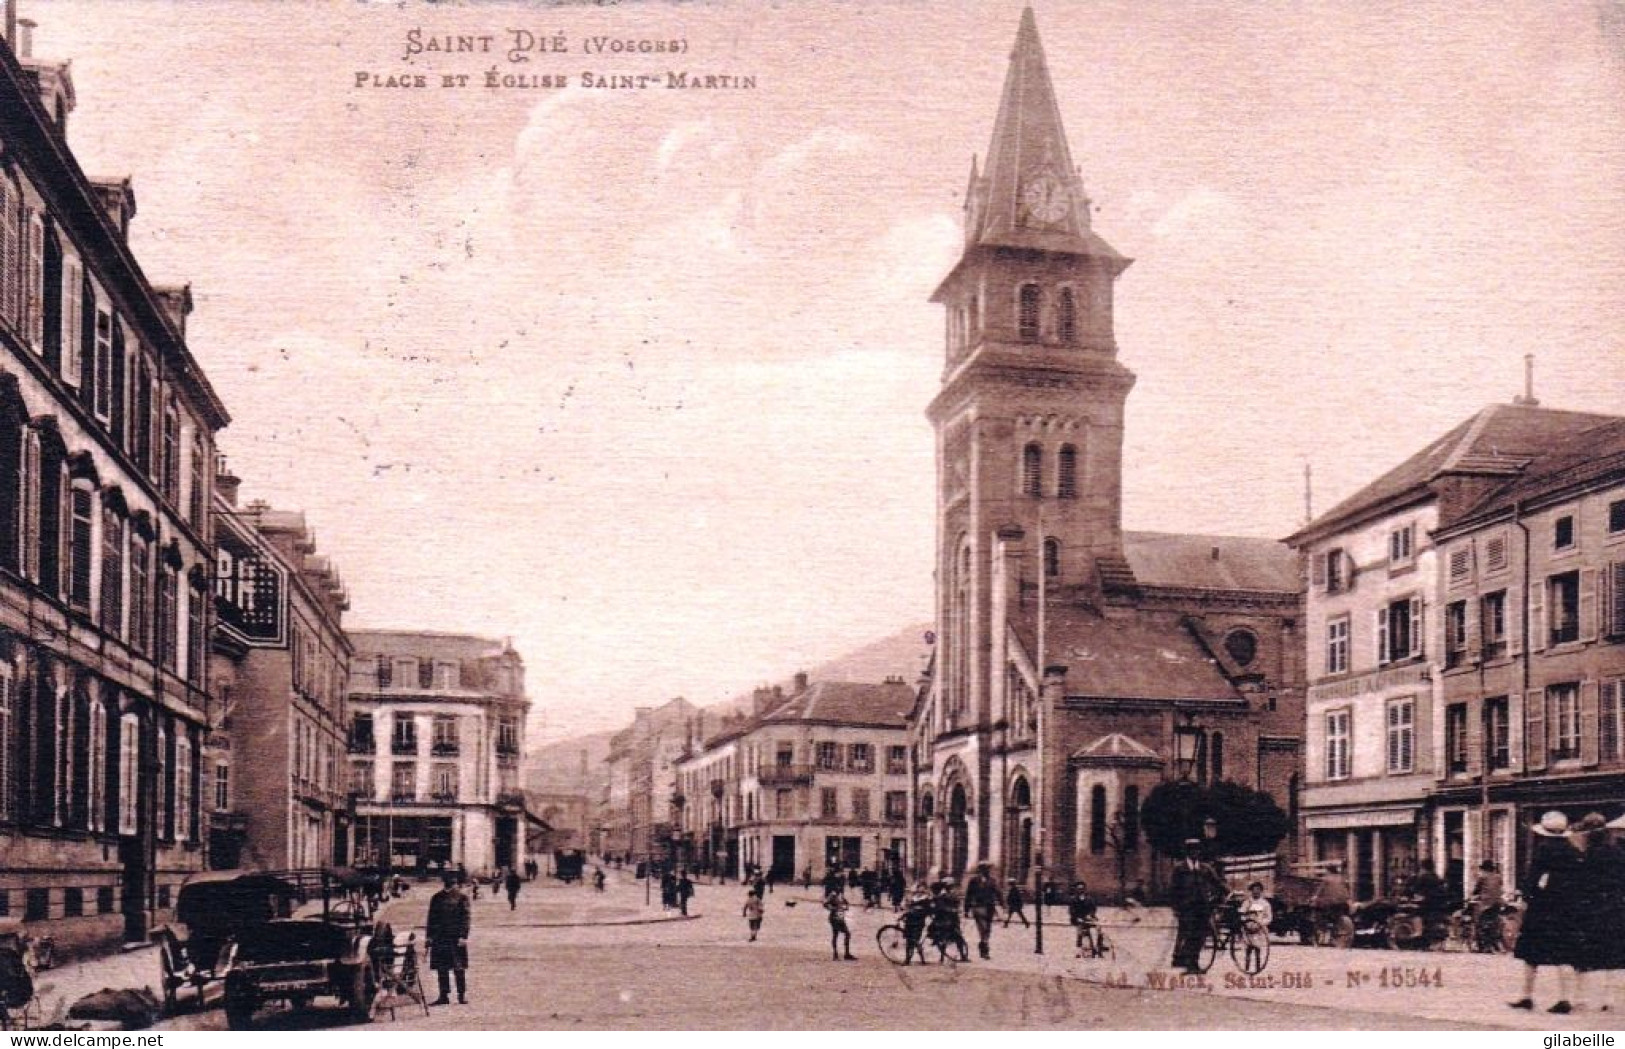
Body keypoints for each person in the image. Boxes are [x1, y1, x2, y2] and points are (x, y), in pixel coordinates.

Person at [1512, 811, 1586, 1014]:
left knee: (1530, 953)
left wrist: (1526, 897)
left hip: (1543, 907)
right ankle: (1566, 998)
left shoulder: (1544, 849)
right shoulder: (1573, 850)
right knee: (1563, 953)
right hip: (1567, 908)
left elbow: (1534, 877)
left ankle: (1526, 995)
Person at [1572, 813, 1625, 1012]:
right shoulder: (1618, 852)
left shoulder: (1584, 854)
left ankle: (1580, 998)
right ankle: (1608, 999)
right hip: (1613, 907)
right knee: (1611, 954)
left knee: (1582, 954)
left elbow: (1577, 883)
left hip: (1588, 907)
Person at [1169, 839, 1225, 973]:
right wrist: (1176, 908)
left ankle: (1194, 963)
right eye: (1192, 850)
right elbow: (1173, 890)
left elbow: (1217, 882)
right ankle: (1189, 964)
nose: (1195, 853)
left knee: (1200, 935)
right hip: (1186, 908)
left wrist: (1230, 892)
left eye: (1197, 850)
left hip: (1203, 907)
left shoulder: (1205, 868)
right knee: (1189, 935)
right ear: (1187, 852)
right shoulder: (1179, 868)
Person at [426, 873, 472, 1006]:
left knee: (459, 968)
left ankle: (461, 995)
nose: (451, 883)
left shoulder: (462, 897)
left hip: (455, 938)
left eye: (452, 881)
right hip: (439, 937)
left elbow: (466, 918)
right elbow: (431, 919)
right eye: (448, 880)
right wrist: (429, 937)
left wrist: (463, 936)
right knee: (442, 968)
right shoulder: (436, 897)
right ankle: (443, 995)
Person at [964, 862, 1001, 959]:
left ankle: (982, 945)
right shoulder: (974, 881)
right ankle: (985, 950)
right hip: (978, 906)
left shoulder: (992, 881)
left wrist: (1003, 905)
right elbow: (969, 895)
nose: (988, 871)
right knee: (983, 928)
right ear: (980, 870)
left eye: (988, 869)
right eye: (986, 869)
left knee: (988, 929)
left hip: (990, 907)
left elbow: (998, 893)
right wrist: (966, 909)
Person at [1309, 861, 1351, 941]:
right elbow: (1346, 890)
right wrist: (1348, 900)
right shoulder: (1341, 878)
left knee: (1318, 911)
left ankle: (1322, 928)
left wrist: (1315, 897)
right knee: (1337, 915)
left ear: (1328, 871)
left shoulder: (1326, 879)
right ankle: (1335, 928)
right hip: (1342, 903)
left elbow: (1320, 890)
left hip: (1330, 903)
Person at [930, 881, 970, 962]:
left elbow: (956, 906)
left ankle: (961, 955)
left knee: (958, 937)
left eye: (953, 888)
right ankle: (961, 955)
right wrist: (952, 910)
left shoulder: (949, 897)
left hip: (949, 919)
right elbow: (940, 908)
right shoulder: (942, 897)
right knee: (957, 936)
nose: (953, 890)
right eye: (951, 888)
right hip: (945, 920)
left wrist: (955, 910)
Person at [1239, 881, 1273, 972]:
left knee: (1258, 950)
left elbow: (1269, 917)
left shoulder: (1265, 904)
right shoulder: (1247, 902)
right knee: (1248, 950)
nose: (1256, 892)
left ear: (1261, 891)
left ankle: (1257, 969)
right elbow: (1242, 914)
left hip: (1259, 931)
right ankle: (1246, 969)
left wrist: (1261, 924)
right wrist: (1246, 923)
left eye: (1258, 890)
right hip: (1248, 930)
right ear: (1251, 891)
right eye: (1254, 890)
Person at [901, 883, 932, 964]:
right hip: (909, 921)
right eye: (919, 888)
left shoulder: (926, 899)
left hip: (918, 921)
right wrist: (903, 915)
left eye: (923, 888)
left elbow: (928, 910)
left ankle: (921, 959)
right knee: (908, 940)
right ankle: (908, 959)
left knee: (915, 940)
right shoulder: (913, 898)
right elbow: (907, 909)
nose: (920, 890)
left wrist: (920, 910)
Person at [1068, 881, 1101, 957]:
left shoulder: (1089, 899)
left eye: (1082, 888)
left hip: (1088, 918)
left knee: (1097, 929)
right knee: (1080, 931)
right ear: (1076, 890)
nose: (1081, 890)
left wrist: (1090, 915)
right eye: (1079, 889)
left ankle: (1096, 947)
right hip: (1078, 919)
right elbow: (1072, 911)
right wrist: (1077, 917)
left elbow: (1093, 908)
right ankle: (1078, 950)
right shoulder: (1073, 900)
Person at [825, 888, 856, 961]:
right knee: (836, 934)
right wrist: (833, 908)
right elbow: (826, 904)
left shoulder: (841, 896)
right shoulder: (833, 895)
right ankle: (836, 954)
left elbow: (846, 904)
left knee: (847, 934)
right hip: (834, 918)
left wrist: (845, 907)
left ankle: (846, 954)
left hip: (841, 918)